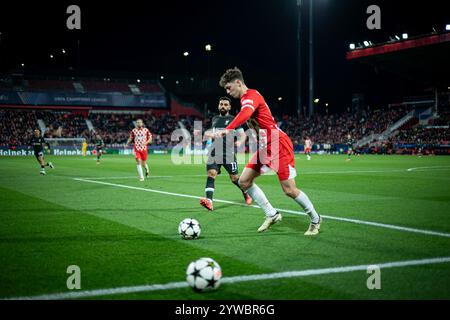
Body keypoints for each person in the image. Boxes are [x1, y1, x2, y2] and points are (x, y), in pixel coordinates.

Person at [216, 67, 322, 235]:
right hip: (266, 146)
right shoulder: (246, 99)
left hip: (278, 144)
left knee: (289, 190)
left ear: (238, 82)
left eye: (229, 88)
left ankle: (316, 219)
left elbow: (246, 113)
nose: (228, 92)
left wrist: (228, 129)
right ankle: (271, 214)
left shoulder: (251, 96)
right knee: (244, 182)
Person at [198, 97, 252, 211]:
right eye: (221, 104)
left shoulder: (234, 119)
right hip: (214, 153)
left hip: (228, 154)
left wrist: (240, 142)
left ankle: (246, 193)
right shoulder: (215, 119)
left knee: (234, 178)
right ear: (218, 106)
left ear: (229, 107)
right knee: (211, 174)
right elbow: (213, 133)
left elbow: (242, 135)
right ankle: (209, 201)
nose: (223, 106)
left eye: (225, 104)